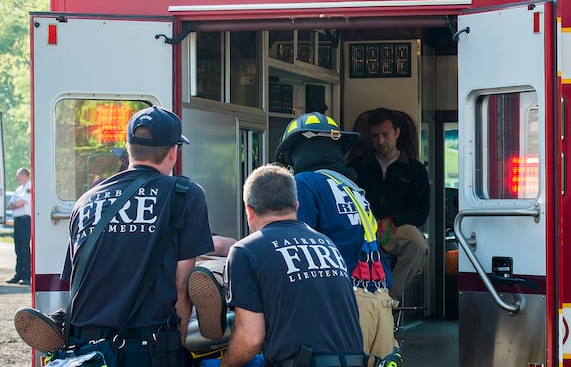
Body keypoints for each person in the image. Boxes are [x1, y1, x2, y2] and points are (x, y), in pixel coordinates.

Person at [16, 106, 214, 365]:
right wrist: (177, 345)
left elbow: (75, 279)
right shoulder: (184, 193)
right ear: (173, 151)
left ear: (129, 148)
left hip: (87, 352)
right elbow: (181, 284)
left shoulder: (87, 200)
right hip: (148, 349)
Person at [274, 112, 398, 363]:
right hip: (380, 300)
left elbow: (299, 249)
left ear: (297, 150)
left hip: (344, 305)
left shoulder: (304, 183)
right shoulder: (351, 187)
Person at [219, 164, 365, 367]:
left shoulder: (246, 251)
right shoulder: (327, 244)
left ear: (249, 210)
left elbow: (250, 338)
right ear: (296, 206)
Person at [350, 108, 429, 301]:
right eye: (375, 136)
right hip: (365, 227)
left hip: (396, 227)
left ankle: (390, 298)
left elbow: (421, 212)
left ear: (397, 133)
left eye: (385, 135)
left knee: (418, 244)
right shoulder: (357, 167)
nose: (381, 142)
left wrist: (392, 219)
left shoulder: (414, 170)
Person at [6, 167, 32, 285]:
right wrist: (15, 205)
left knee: (24, 249)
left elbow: (20, 203)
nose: (16, 177)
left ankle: (26, 275)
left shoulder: (29, 187)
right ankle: (18, 274)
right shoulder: (18, 189)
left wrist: (15, 205)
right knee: (18, 249)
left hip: (25, 221)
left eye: (18, 175)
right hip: (17, 221)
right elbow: (9, 205)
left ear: (24, 175)